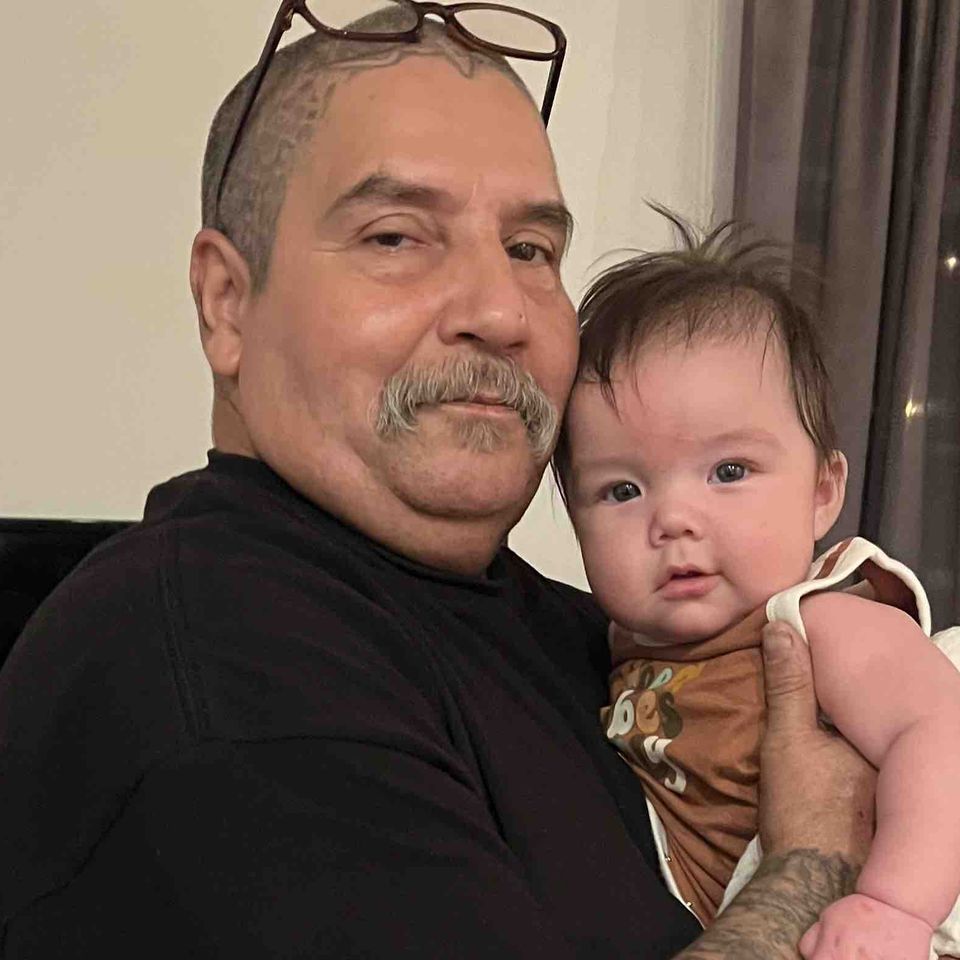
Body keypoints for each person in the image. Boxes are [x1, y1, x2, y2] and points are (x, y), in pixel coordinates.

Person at [0, 5, 873, 957]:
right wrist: (812, 862)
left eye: (530, 249)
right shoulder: (214, 666)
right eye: (395, 237)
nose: (500, 310)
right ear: (227, 302)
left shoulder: (598, 634)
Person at [554, 211, 960, 960]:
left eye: (729, 471)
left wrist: (893, 906)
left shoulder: (817, 621)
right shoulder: (614, 645)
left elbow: (941, 731)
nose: (674, 519)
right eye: (622, 490)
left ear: (822, 491)